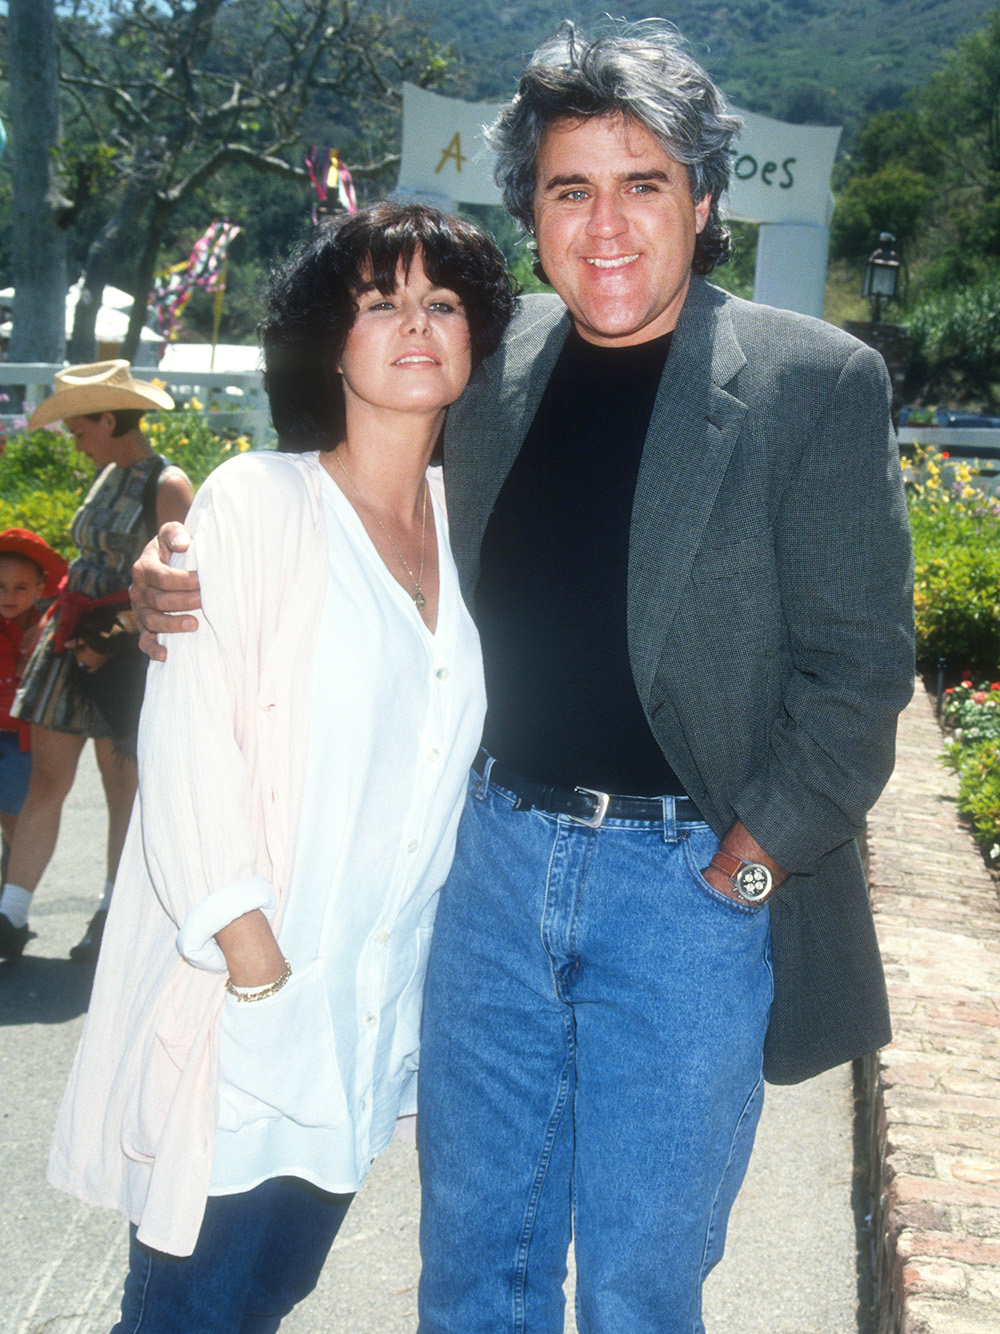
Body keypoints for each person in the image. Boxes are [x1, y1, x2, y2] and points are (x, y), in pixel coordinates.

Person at [131, 22, 915, 1332]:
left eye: (642, 182)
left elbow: (857, 676)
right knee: (474, 1270)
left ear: (703, 198)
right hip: (489, 871)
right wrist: (178, 551)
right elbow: (338, 500)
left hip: (687, 891)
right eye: (570, 188)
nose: (606, 225)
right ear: (535, 212)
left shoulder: (811, 385)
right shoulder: (490, 367)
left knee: (636, 1286)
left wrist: (744, 872)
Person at [48, 204, 514, 1333]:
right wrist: (249, 952)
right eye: (379, 301)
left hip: (369, 1012)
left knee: (268, 1295)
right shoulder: (261, 499)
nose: (416, 323)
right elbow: (189, 731)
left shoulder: (475, 524)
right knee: (188, 1309)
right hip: (248, 995)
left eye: (442, 302)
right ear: (327, 340)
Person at [0, 362, 193, 965]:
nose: (75, 441)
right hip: (68, 644)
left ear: (109, 419)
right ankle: (11, 914)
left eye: (80, 428)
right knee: (46, 784)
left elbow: (180, 580)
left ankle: (113, 913)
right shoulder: (107, 471)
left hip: (122, 657)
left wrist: (112, 634)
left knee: (123, 791)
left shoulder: (167, 483)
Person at [0, 529, 68, 875]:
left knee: (13, 818)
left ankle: (10, 884)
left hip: (20, 740)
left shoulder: (43, 628)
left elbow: (69, 591)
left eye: (20, 587)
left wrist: (44, 620)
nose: (8, 596)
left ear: (39, 590)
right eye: (0, 586)